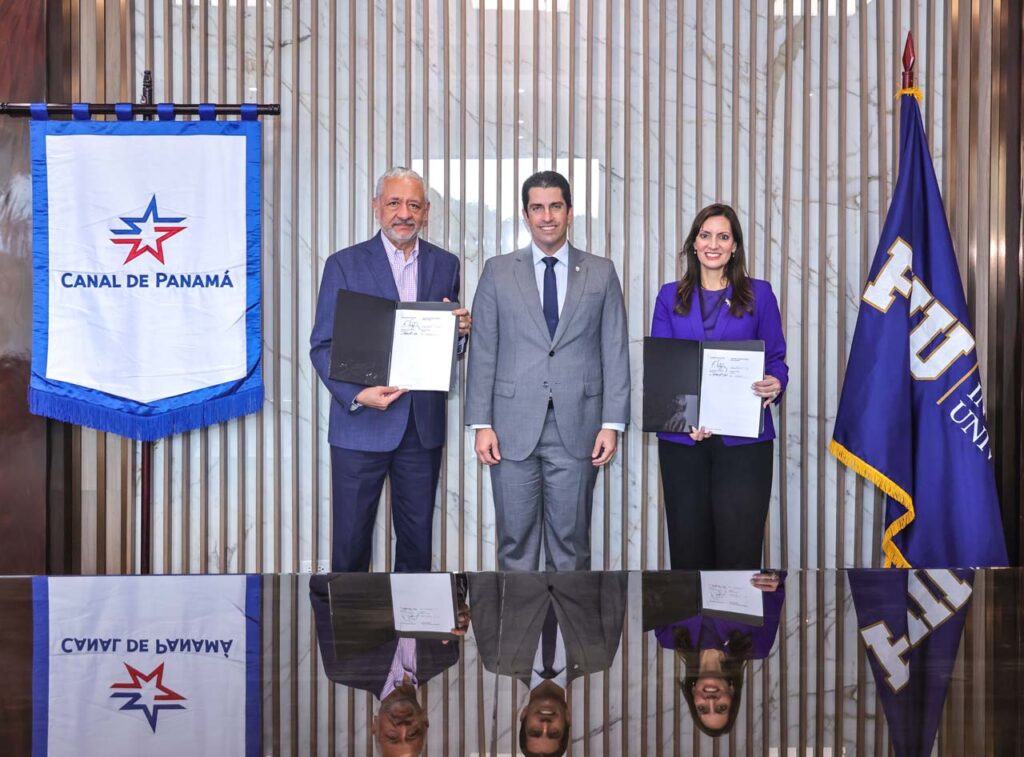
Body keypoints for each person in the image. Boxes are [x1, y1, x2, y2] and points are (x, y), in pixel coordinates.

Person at [465, 170, 630, 571]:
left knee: (571, 548)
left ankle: (568, 636)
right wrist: (480, 423)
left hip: (579, 427)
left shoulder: (601, 271)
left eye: (555, 206)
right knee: (514, 546)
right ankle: (520, 636)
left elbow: (615, 349)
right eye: (537, 208)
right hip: (509, 428)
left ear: (570, 212)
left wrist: (612, 422)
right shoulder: (497, 270)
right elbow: (484, 349)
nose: (547, 216)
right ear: (525, 216)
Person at [309, 167, 471, 572]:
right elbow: (322, 345)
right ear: (376, 206)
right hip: (360, 424)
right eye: (395, 202)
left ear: (426, 211)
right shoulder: (344, 264)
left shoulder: (445, 264)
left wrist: (461, 332)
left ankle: (414, 637)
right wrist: (356, 395)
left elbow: (442, 344)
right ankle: (349, 636)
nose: (404, 213)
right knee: (350, 546)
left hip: (421, 427)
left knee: (417, 547)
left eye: (413, 204)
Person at [651, 203, 788, 570]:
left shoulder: (760, 294)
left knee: (739, 553)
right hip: (683, 443)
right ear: (693, 244)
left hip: (745, 443)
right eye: (705, 235)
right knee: (688, 551)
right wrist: (687, 419)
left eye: (723, 237)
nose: (714, 244)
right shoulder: (669, 296)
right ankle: (691, 630)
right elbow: (665, 366)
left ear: (735, 247)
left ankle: (734, 631)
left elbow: (776, 358)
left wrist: (776, 382)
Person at [468, 572, 628, 756]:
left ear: (523, 715)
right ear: (568, 719)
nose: (545, 725)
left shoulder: (495, 658)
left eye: (535, 731)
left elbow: (482, 578)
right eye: (554, 733)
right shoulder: (600, 655)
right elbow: (615, 575)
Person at [309, 574, 469, 756]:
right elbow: (458, 579)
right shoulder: (445, 655)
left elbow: (321, 588)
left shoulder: (343, 668)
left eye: (392, 736)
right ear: (425, 720)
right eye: (413, 733)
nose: (403, 727)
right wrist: (457, 601)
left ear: (375, 726)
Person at [643, 570, 785, 737]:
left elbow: (652, 578)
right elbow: (776, 582)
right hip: (739, 554)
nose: (711, 701)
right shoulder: (759, 645)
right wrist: (773, 580)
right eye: (721, 708)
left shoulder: (667, 637)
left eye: (702, 708)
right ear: (732, 692)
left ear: (693, 694)